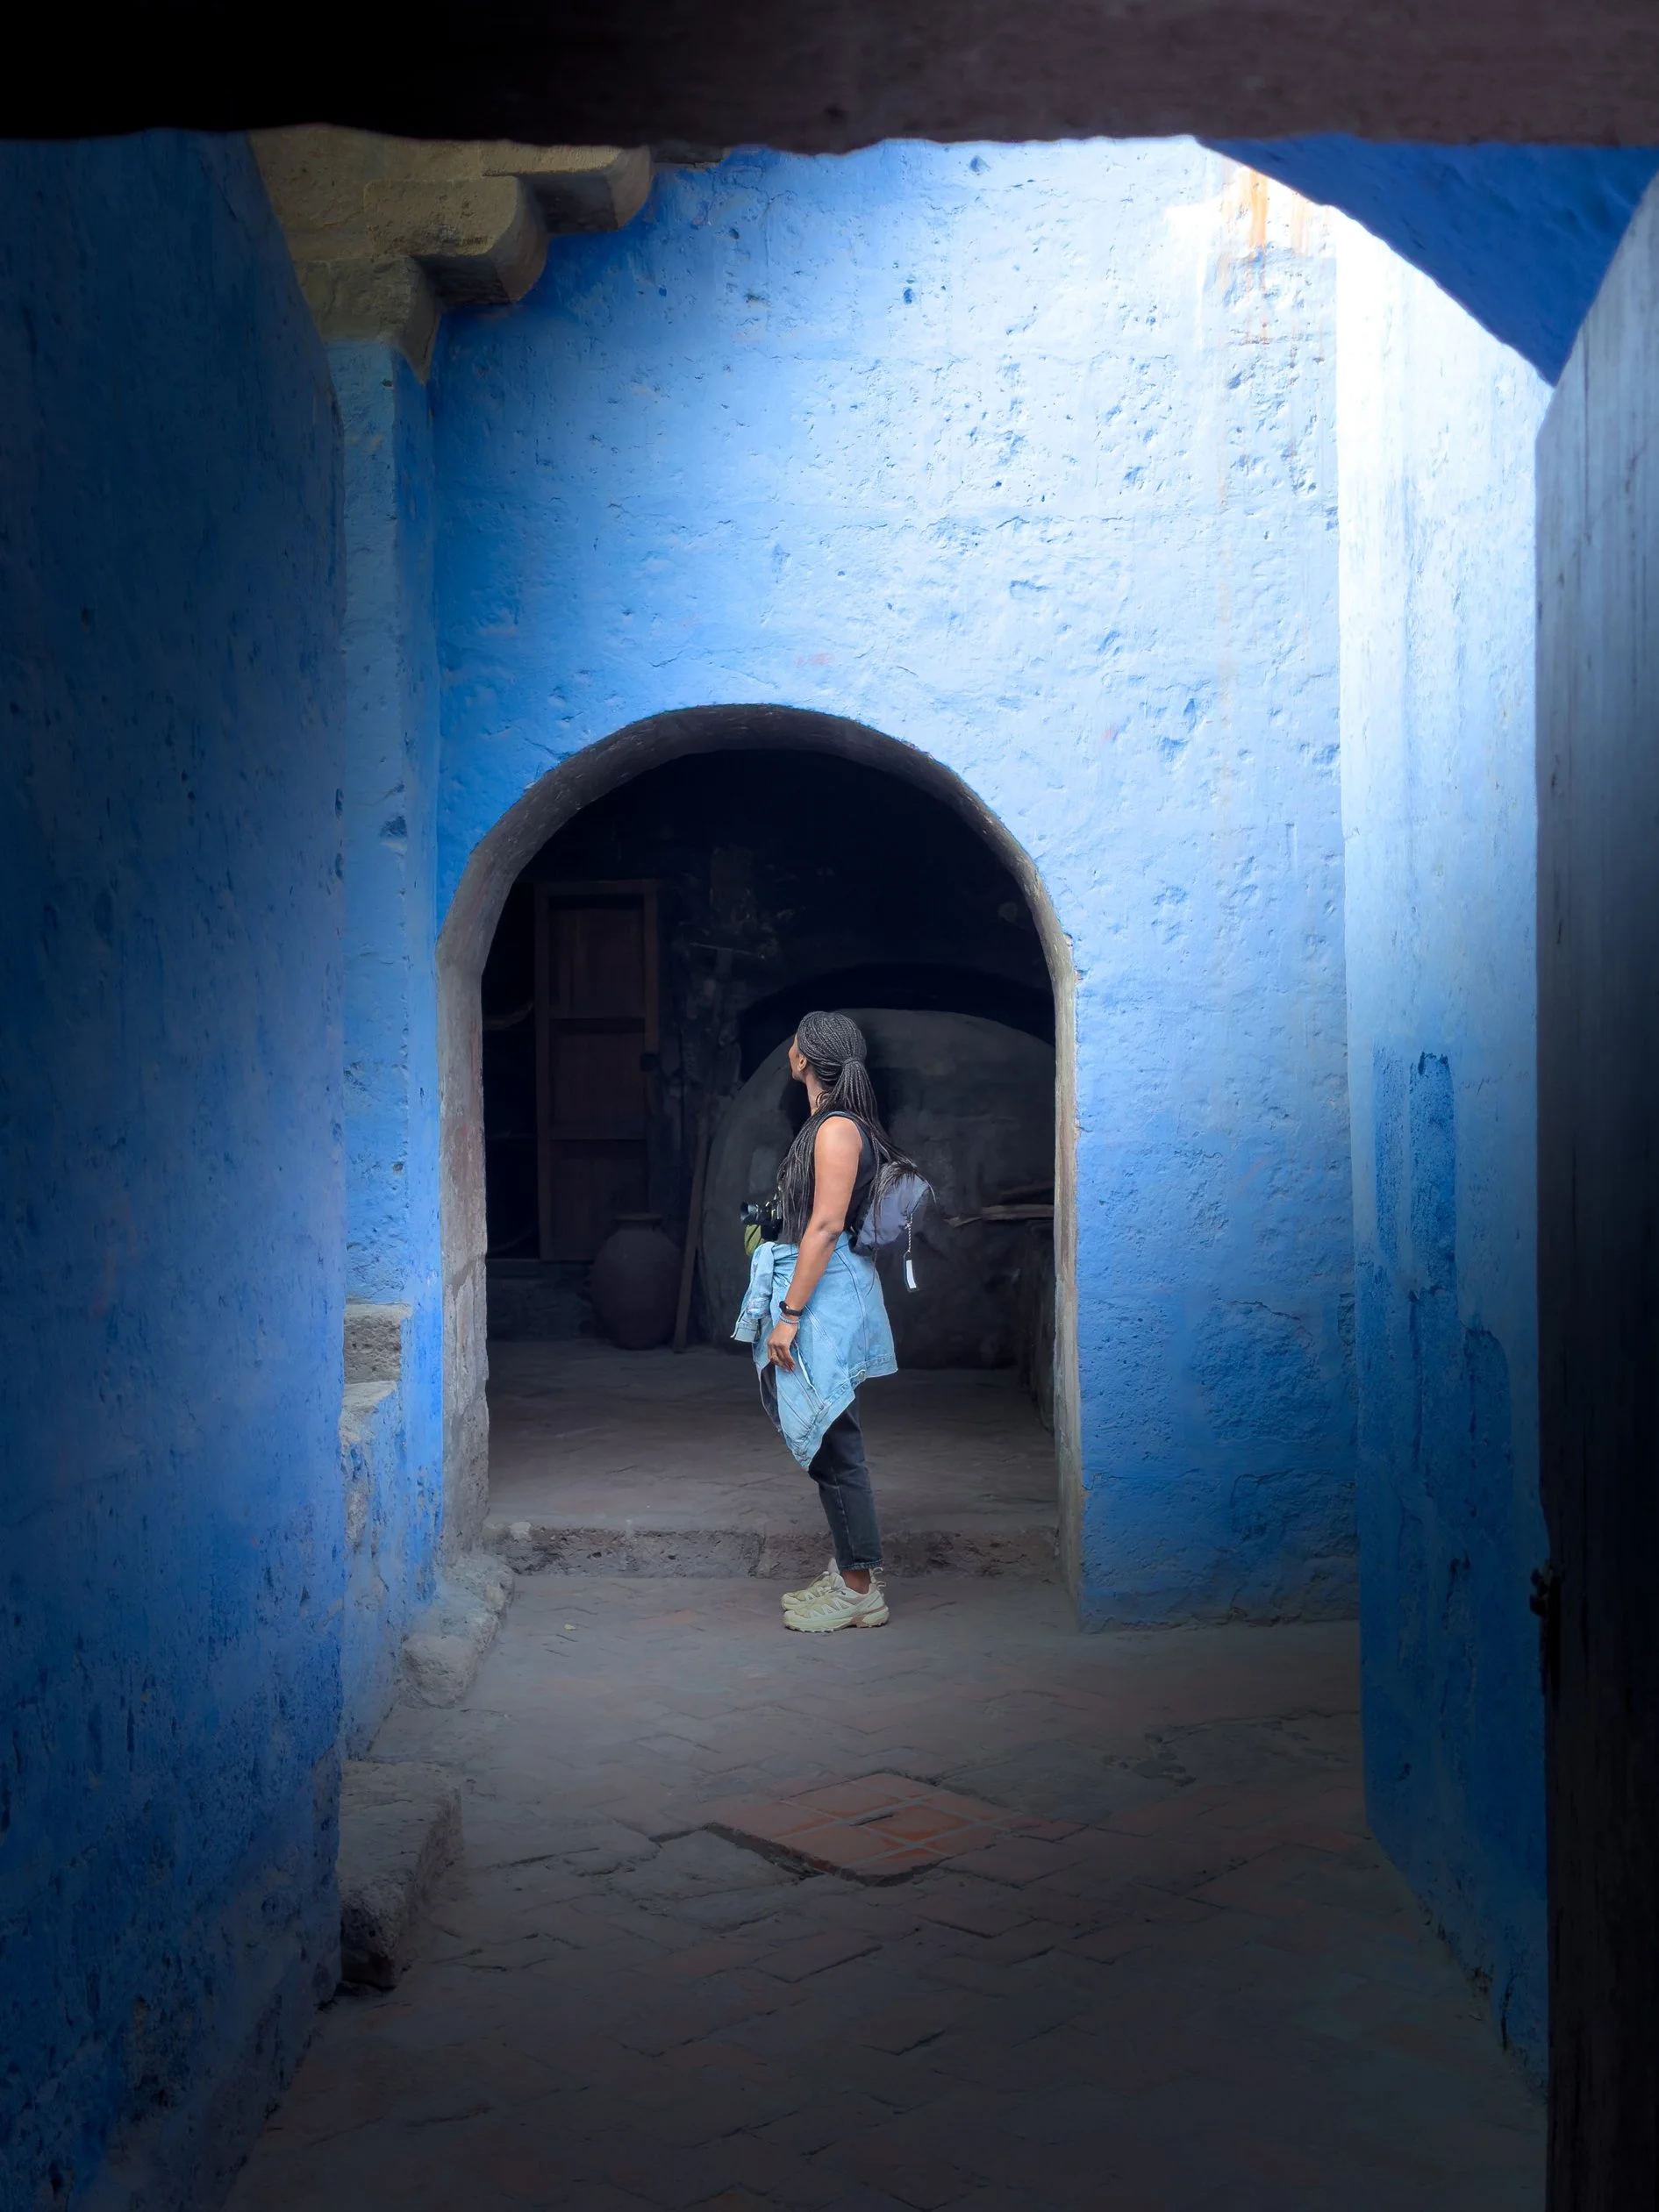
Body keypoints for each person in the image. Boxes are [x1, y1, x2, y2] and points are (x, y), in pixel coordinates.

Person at [732, 1010, 912, 1632]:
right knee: (831, 1440)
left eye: (794, 1041)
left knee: (837, 1444)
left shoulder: (836, 1128)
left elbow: (827, 1226)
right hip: (823, 1290)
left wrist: (788, 1315)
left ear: (804, 1058)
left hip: (825, 1297)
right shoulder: (828, 1123)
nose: (788, 1048)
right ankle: (852, 1573)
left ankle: (860, 1589)